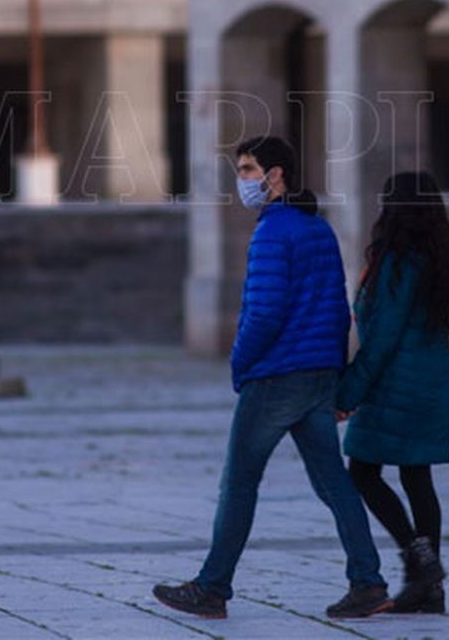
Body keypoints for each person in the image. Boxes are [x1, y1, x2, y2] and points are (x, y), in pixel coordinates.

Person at [154, 136, 391, 620]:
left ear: (276, 174)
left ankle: (212, 587)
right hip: (318, 374)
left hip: (276, 376)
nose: (240, 181)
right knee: (333, 483)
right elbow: (337, 310)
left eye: (246, 170)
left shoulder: (271, 233)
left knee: (239, 483)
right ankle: (367, 582)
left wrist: (241, 364)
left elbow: (262, 314)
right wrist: (334, 372)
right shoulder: (318, 229)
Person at [335, 170, 449, 614]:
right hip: (431, 382)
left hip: (396, 384)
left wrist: (347, 393)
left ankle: (420, 560)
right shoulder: (441, 256)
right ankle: (430, 591)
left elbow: (383, 338)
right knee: (417, 477)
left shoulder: (397, 261)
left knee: (363, 473)